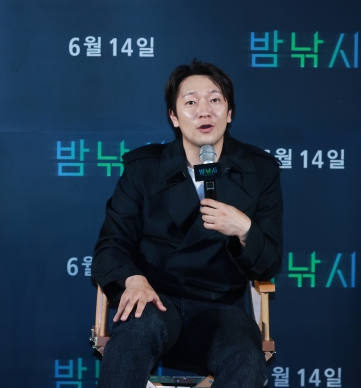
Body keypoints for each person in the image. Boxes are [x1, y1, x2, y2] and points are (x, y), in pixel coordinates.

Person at [92, 60, 283, 388]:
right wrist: (135, 281)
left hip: (220, 309)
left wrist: (245, 230)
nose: (204, 111)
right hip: (156, 299)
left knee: (247, 361)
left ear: (230, 112)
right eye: (191, 102)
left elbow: (269, 264)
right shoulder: (144, 169)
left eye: (215, 100)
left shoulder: (259, 170)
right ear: (174, 117)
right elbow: (111, 245)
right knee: (136, 329)